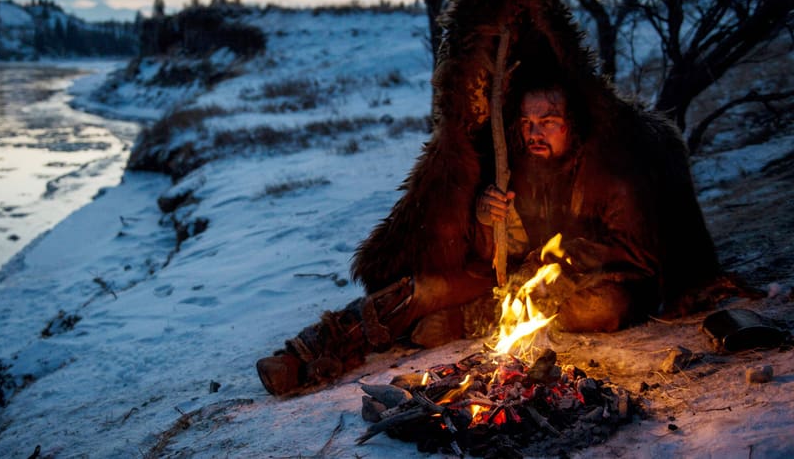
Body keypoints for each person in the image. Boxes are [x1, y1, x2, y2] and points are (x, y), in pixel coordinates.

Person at [256, 82, 667, 396]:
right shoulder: (517, 167)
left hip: (582, 282)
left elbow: (635, 253)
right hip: (508, 281)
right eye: (526, 123)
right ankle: (308, 352)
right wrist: (489, 221)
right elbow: (490, 259)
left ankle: (463, 320)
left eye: (548, 122)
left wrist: (554, 268)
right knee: (416, 291)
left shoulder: (607, 173)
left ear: (571, 125)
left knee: (604, 308)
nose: (534, 133)